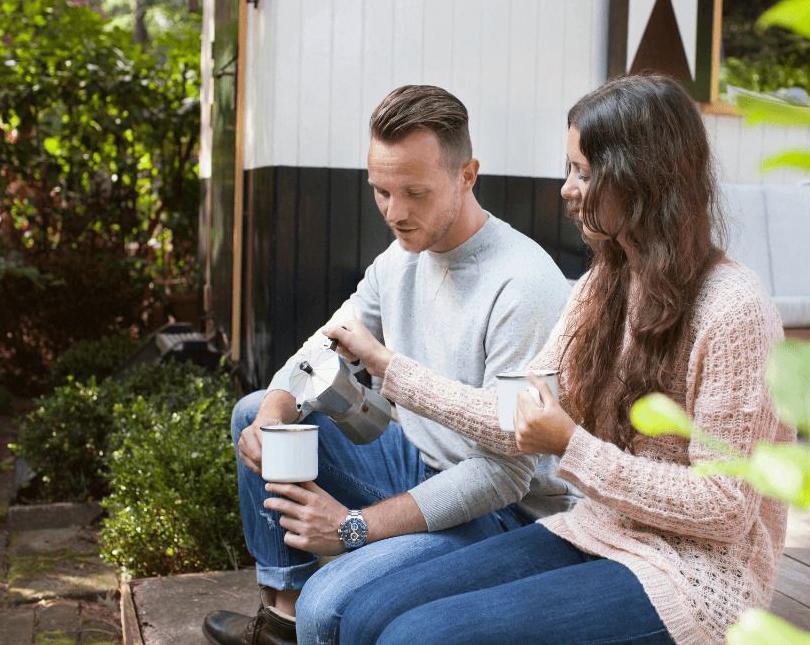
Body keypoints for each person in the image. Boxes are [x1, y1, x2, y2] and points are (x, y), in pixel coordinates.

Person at [328, 74, 793, 645]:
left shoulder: (734, 311)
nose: (567, 189)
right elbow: (515, 415)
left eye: (585, 172)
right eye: (569, 168)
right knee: (365, 614)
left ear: (644, 180)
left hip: (693, 579)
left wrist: (574, 446)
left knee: (416, 638)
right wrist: (388, 368)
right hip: (596, 529)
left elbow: (726, 507)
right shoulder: (605, 284)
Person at [202, 85, 575, 645]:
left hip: (504, 515)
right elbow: (322, 348)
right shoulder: (400, 257)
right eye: (381, 191)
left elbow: (504, 475)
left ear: (467, 175)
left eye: (415, 193)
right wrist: (276, 409)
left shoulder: (524, 285)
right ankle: (282, 622)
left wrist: (352, 528)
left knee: (333, 608)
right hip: (415, 461)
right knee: (256, 412)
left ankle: (312, 616)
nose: (395, 213)